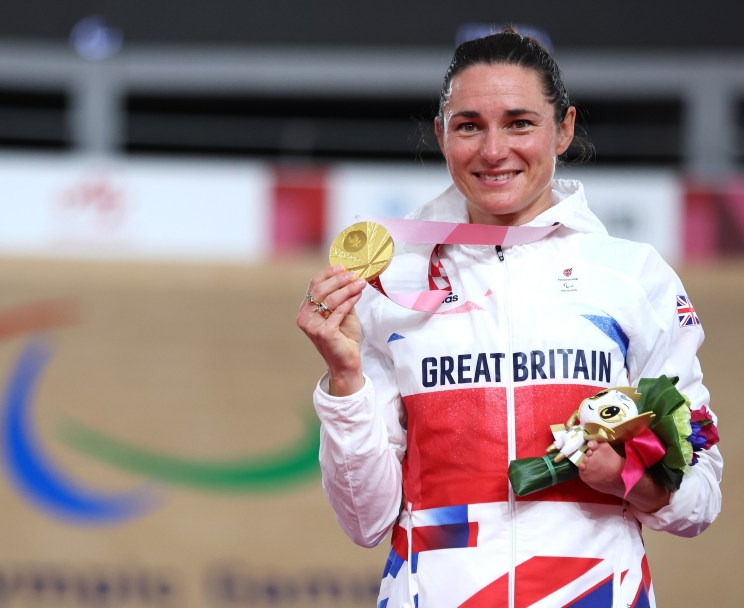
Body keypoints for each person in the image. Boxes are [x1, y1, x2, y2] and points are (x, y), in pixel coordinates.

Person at [296, 28, 722, 608]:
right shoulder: (389, 287)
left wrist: (628, 477)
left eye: (520, 122)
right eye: (469, 125)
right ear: (443, 134)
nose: (493, 150)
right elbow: (365, 521)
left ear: (564, 129)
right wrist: (343, 381)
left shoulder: (632, 277)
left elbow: (701, 498)